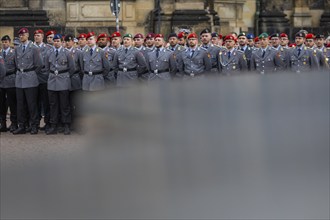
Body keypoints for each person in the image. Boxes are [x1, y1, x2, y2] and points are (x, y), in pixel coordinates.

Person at [13, 27, 43, 135]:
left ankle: (34, 125)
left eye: (23, 34)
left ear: (27, 35)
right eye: (20, 35)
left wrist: (32, 73)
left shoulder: (34, 48)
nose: (21, 36)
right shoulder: (17, 48)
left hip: (30, 78)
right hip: (20, 78)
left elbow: (39, 64)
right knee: (20, 104)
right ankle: (22, 125)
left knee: (32, 104)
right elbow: (16, 62)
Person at [45, 34, 75, 135]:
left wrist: (64, 75)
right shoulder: (49, 53)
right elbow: (47, 67)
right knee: (53, 104)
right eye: (55, 41)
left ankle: (66, 125)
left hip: (63, 80)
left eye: (58, 41)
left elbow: (72, 68)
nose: (56, 43)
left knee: (64, 104)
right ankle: (53, 125)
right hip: (52, 80)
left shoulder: (66, 53)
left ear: (62, 42)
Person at [34, 29, 52, 131]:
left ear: (43, 37)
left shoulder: (48, 48)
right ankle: (35, 123)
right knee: (35, 102)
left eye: (39, 35)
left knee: (46, 102)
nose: (37, 37)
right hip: (34, 78)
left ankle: (47, 123)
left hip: (45, 77)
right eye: (35, 35)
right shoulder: (31, 48)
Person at [0, 35, 17, 132]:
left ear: (9, 42)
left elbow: (17, 66)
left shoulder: (14, 53)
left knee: (12, 103)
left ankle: (14, 123)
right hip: (1, 81)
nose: (4, 43)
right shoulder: (0, 53)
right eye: (3, 42)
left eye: (6, 42)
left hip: (11, 80)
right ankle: (3, 123)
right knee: (1, 104)